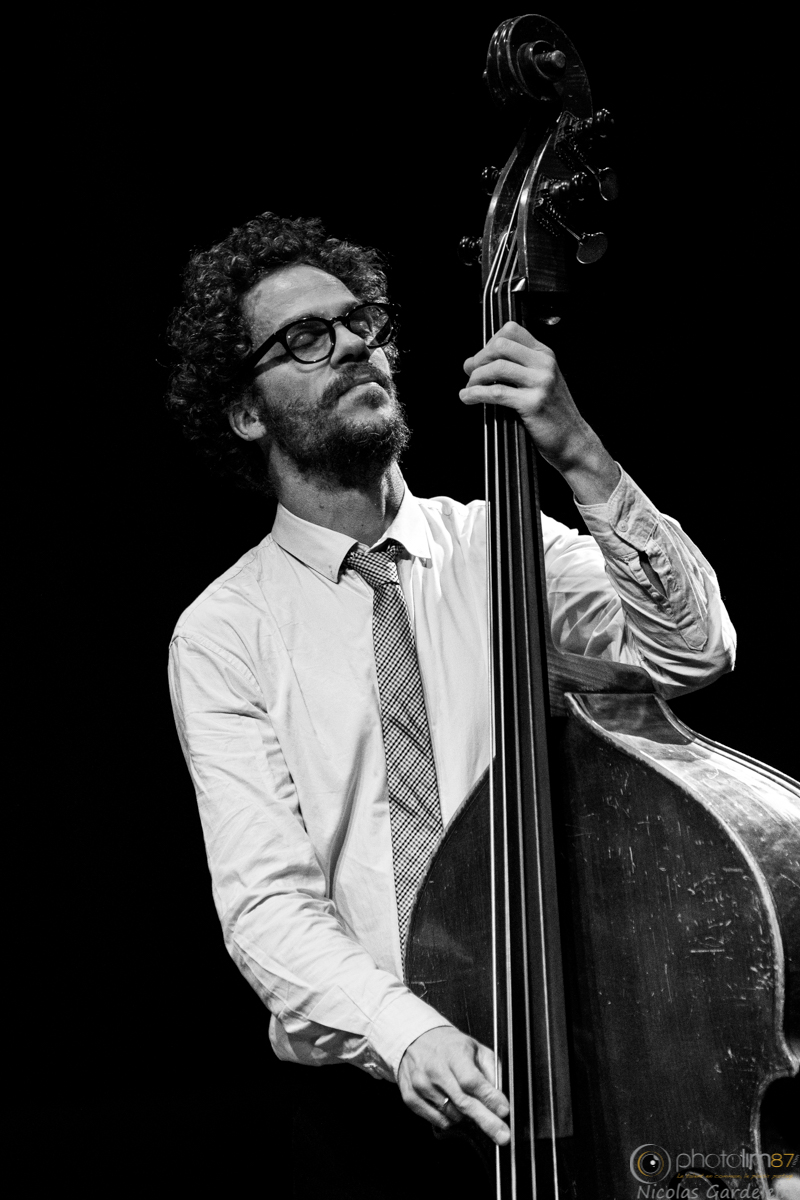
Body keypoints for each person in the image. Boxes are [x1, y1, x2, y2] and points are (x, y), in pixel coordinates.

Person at [166, 212, 735, 1197]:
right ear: (247, 412)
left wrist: (582, 456)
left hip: (575, 1061)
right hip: (370, 1115)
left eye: (364, 323)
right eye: (306, 338)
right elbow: (267, 902)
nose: (354, 346)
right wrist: (408, 1031)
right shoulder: (224, 633)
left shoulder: (502, 545)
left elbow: (691, 650)